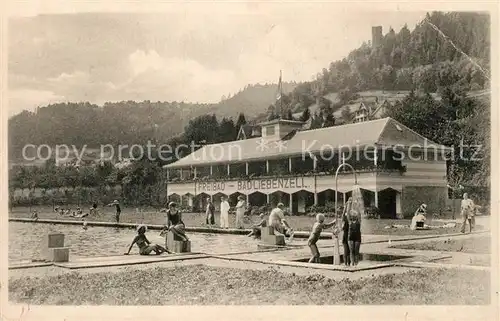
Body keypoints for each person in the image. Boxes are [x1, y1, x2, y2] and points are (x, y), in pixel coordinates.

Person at [342, 198, 353, 266]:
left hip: (347, 235)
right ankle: (348, 263)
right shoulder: (350, 216)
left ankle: (347, 264)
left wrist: (346, 206)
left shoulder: (348, 217)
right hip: (349, 235)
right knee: (348, 250)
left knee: (346, 250)